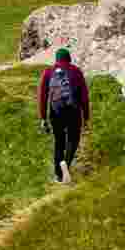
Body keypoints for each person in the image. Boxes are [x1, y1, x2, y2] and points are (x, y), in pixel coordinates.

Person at [39, 47, 90, 184]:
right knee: (73, 139)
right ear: (69, 59)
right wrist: (86, 117)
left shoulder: (48, 72)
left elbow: (43, 97)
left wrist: (43, 118)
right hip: (73, 112)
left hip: (55, 112)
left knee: (59, 142)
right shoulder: (76, 71)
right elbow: (84, 97)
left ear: (56, 59)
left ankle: (58, 175)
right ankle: (66, 165)